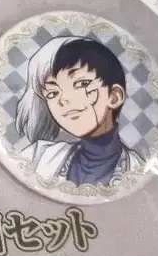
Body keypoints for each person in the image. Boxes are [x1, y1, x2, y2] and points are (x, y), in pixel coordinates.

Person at [15, 36, 144, 186]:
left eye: (82, 84)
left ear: (114, 96)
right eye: (53, 93)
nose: (63, 99)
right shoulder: (36, 157)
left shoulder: (140, 173)